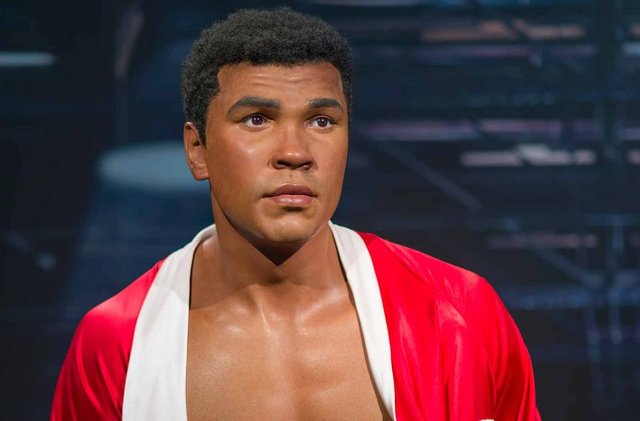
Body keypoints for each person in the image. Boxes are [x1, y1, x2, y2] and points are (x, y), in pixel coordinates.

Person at [51, 7, 541, 421]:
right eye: (257, 119)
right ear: (198, 150)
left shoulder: (459, 312)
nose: (295, 153)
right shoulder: (116, 341)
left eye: (322, 121)